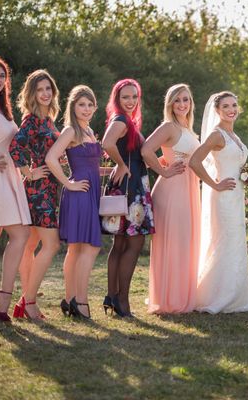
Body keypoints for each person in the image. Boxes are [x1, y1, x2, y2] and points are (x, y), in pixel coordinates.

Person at [189, 91, 248, 313]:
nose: (231, 109)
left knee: (235, 242)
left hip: (236, 197)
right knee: (224, 241)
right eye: (225, 106)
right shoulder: (217, 135)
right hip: (222, 197)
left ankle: (236, 293)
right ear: (217, 110)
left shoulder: (234, 136)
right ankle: (220, 296)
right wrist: (214, 184)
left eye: (234, 105)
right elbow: (195, 161)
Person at [46, 85, 105, 320]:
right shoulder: (71, 131)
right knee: (90, 247)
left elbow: (91, 164)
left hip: (90, 192)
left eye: (90, 104)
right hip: (79, 193)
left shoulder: (89, 130)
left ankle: (70, 300)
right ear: (73, 106)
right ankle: (81, 303)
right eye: (82, 104)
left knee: (77, 249)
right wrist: (68, 183)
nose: (87, 108)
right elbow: (51, 158)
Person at [0, 56, 31, 322]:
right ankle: (2, 298)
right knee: (20, 233)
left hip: (5, 175)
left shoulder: (0, 109)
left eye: (2, 75)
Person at [9, 69, 62, 319]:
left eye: (48, 89)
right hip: (38, 189)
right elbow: (15, 145)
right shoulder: (31, 121)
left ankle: (24, 302)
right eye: (39, 89)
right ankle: (29, 302)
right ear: (32, 93)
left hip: (49, 188)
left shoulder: (49, 121)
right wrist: (28, 172)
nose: (45, 93)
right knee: (51, 244)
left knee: (31, 244)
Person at [142, 84, 198, 314]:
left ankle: (181, 295)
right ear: (170, 104)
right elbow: (146, 150)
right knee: (174, 243)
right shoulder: (168, 126)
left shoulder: (187, 127)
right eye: (177, 100)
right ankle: (169, 299)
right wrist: (162, 170)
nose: (182, 104)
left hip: (189, 188)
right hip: (173, 188)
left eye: (186, 99)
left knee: (184, 243)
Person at [101, 79, 155, 317]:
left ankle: (112, 297)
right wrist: (121, 164)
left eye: (134, 97)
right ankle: (122, 301)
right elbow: (106, 143)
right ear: (117, 99)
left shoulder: (126, 120)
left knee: (120, 244)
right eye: (125, 97)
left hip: (125, 187)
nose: (131, 101)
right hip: (130, 189)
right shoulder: (121, 120)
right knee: (134, 244)